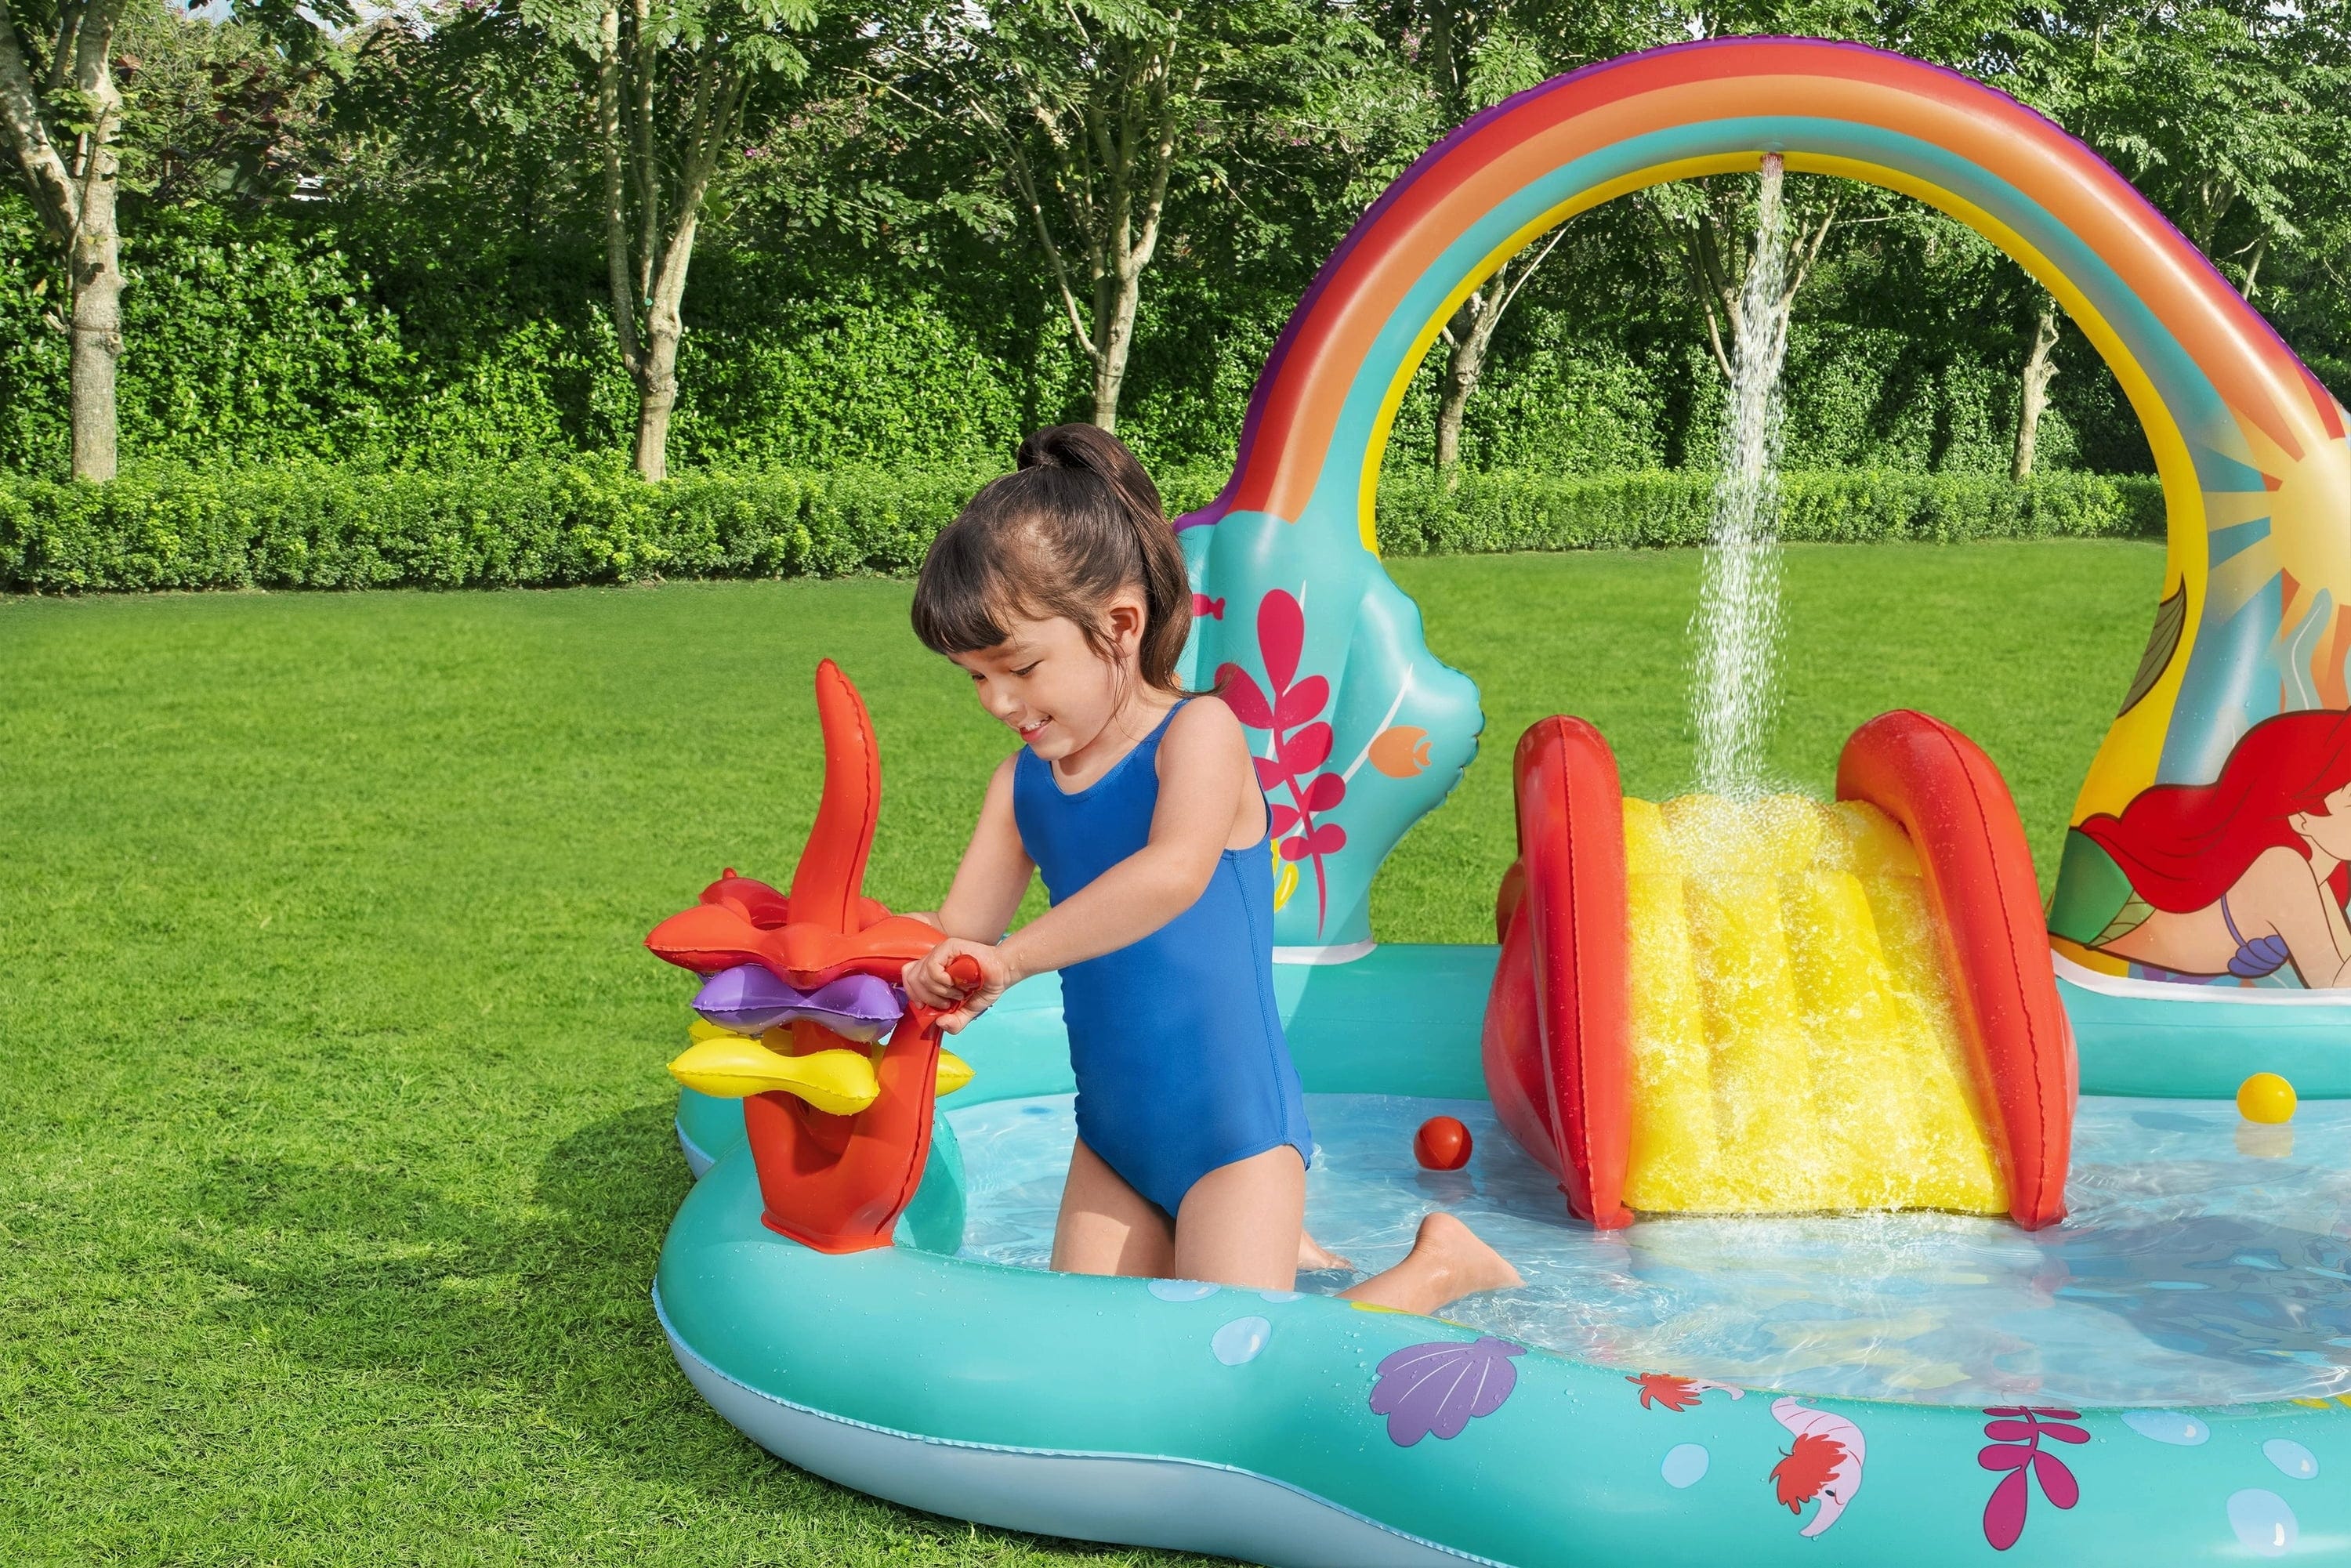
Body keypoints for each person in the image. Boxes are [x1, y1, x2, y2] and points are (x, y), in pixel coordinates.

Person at [900, 424, 1520, 1308]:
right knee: (1083, 1353)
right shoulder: (1020, 786)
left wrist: (1011, 961)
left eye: (1020, 667)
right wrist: (839, 961)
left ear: (1120, 625)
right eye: (974, 677)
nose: (999, 701)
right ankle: (1287, 1253)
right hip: (1112, 1138)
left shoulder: (1199, 735)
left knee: (1238, 1364)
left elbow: (1171, 875)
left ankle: (1441, 1265)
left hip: (1232, 1135)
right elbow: (957, 930)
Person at [2081, 708, 2351, 988]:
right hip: (2106, 909)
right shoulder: (2283, 867)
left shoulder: (2317, 877)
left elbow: (2341, 971)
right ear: (2301, 817)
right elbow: (2333, 984)